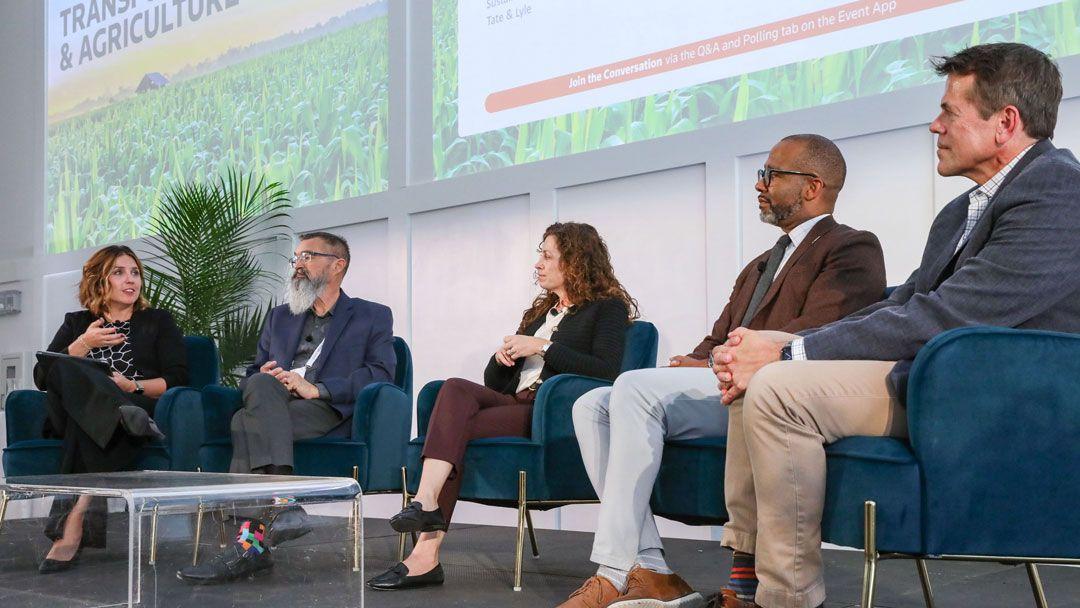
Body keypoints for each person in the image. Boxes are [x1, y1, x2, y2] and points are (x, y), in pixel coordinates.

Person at [710, 43, 1080, 608]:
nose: (935, 125)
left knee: (777, 390)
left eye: (950, 112)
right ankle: (745, 578)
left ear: (1006, 122)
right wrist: (779, 342)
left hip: (998, 399)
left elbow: (953, 315)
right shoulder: (960, 210)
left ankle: (785, 601)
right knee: (749, 378)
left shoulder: (1059, 190)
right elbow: (904, 301)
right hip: (941, 380)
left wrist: (791, 356)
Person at [559, 135, 887, 608]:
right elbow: (714, 339)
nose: (760, 185)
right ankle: (649, 566)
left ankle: (613, 569)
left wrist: (723, 358)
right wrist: (701, 358)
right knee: (592, 404)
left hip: (784, 387)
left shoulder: (850, 247)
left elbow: (823, 329)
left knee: (632, 386)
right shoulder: (760, 264)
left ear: (813, 186)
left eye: (771, 175)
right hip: (726, 382)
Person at [367, 222, 639, 591]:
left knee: (452, 434)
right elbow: (494, 384)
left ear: (575, 261)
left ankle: (424, 555)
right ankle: (426, 502)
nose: (538, 264)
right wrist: (502, 358)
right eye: (539, 254)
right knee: (454, 389)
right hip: (515, 401)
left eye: (547, 255)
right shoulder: (540, 313)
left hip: (548, 412)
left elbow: (606, 371)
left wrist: (541, 347)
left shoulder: (606, 309)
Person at [177, 230, 396, 584]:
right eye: (296, 258)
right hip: (275, 402)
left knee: (243, 423)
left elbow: (381, 373)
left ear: (337, 265)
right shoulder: (281, 316)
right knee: (261, 386)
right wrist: (262, 376)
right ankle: (277, 513)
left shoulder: (371, 315)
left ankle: (254, 543)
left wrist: (318, 388)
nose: (298, 265)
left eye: (308, 256)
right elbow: (252, 374)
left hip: (325, 410)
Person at [34, 245, 188, 574]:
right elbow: (42, 377)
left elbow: (177, 378)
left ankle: (72, 524)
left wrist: (132, 387)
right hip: (117, 414)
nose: (130, 280)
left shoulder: (157, 322)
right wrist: (84, 345)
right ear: (99, 281)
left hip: (131, 401)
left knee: (86, 423)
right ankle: (117, 411)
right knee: (65, 364)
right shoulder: (78, 323)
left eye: (135, 272)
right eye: (118, 273)